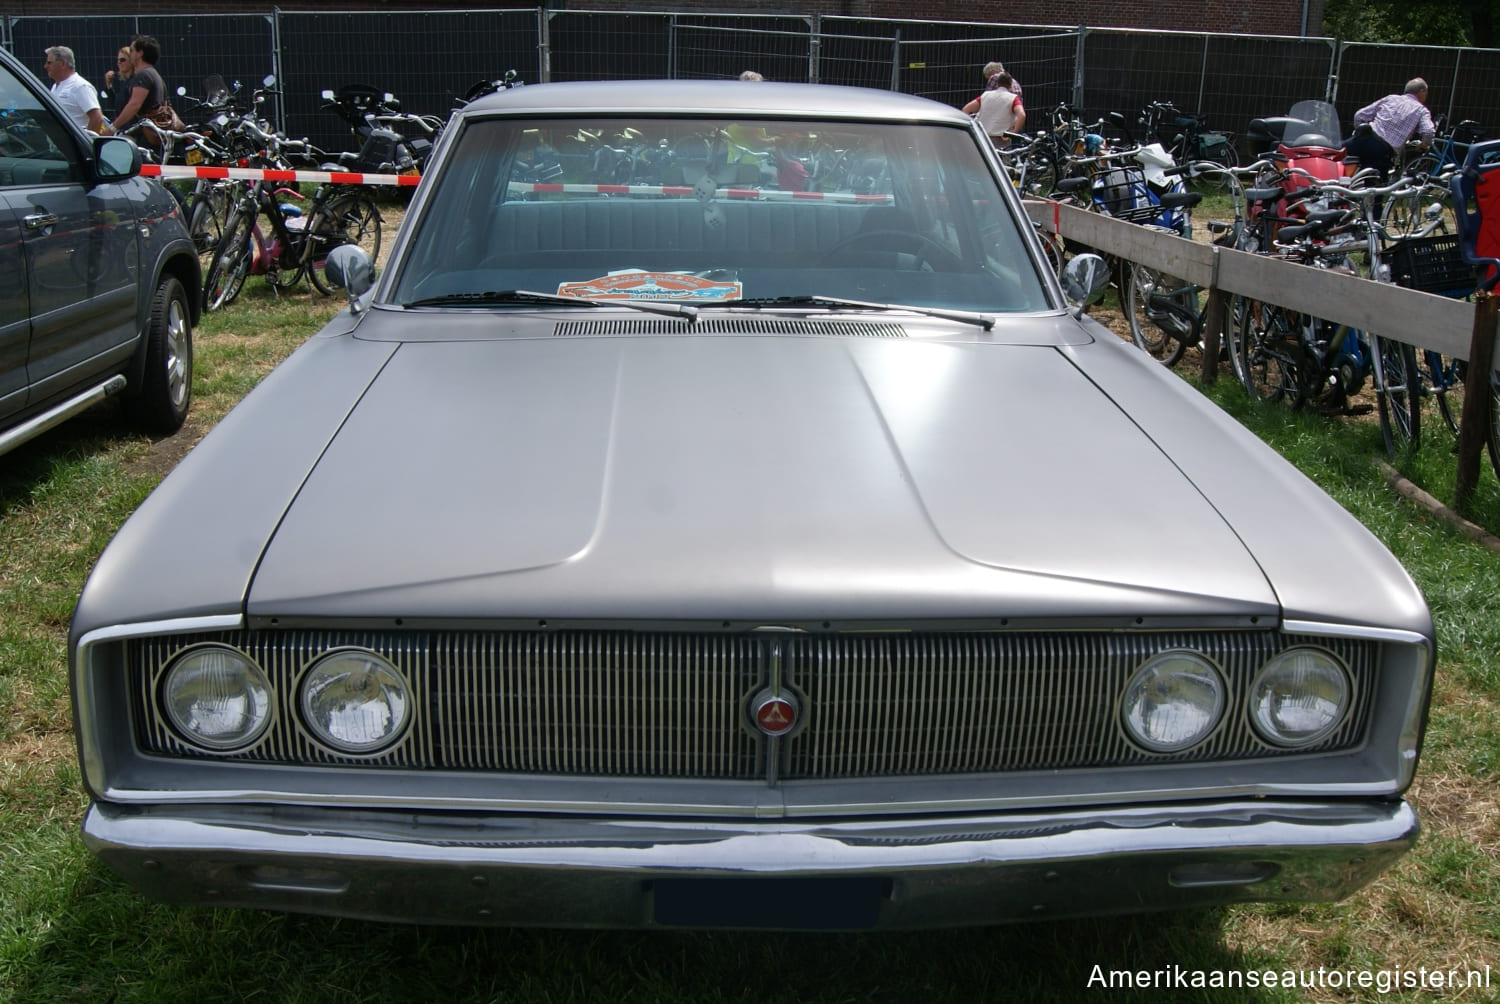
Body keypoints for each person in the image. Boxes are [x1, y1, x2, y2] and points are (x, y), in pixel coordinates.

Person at [1345, 77, 1436, 180]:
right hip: (1382, 149)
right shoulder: (1421, 110)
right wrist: (1424, 145)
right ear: (1422, 92)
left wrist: (1360, 132)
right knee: (1375, 187)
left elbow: (1359, 115)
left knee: (1336, 159)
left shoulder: (1391, 98)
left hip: (1362, 137)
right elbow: (1428, 131)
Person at [105, 35, 176, 138]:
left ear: (140, 53)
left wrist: (112, 128)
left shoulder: (143, 75)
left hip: (142, 137)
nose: (130, 53)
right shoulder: (154, 74)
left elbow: (134, 105)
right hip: (153, 134)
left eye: (132, 50)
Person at [43, 45, 105, 134]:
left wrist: (87, 142)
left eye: (49, 63)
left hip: (74, 145)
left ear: (63, 64)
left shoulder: (80, 86)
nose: (45, 66)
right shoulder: (55, 86)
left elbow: (97, 118)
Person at [963, 71, 1025, 145]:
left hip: (982, 136)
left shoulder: (985, 96)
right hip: (1001, 138)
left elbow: (966, 109)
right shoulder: (1013, 99)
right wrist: (1013, 133)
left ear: (997, 84)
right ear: (1010, 86)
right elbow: (1022, 115)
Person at [103, 46, 135, 117]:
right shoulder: (124, 82)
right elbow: (116, 105)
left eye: (122, 60)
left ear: (131, 60)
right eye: (118, 60)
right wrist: (109, 85)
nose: (119, 62)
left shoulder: (135, 81)